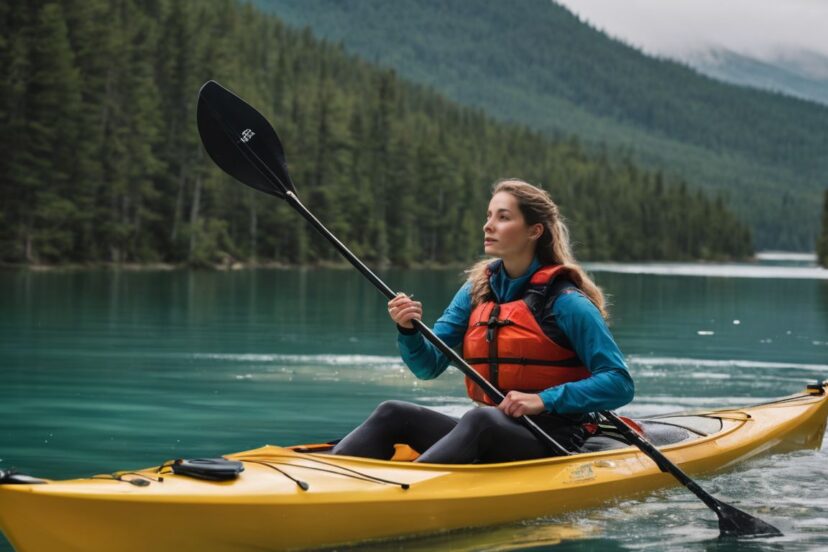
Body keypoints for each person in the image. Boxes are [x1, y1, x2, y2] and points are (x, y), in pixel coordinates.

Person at [332, 179, 634, 463]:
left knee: (480, 419)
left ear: (534, 231)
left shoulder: (567, 301)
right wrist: (408, 330)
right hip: (493, 430)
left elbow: (619, 384)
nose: (488, 225)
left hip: (554, 439)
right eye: (489, 216)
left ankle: (405, 497)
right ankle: (329, 478)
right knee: (393, 413)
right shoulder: (478, 290)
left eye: (503, 217)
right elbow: (427, 366)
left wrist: (543, 400)